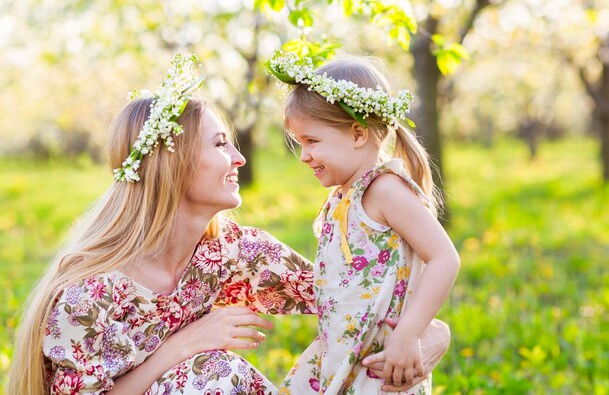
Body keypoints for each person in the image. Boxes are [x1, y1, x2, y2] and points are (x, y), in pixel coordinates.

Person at [7, 53, 450, 395]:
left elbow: (347, 295)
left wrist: (430, 335)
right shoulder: (88, 295)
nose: (239, 159)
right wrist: (185, 345)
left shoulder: (230, 254)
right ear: (174, 164)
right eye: (221, 144)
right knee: (212, 372)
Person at [265, 52, 461, 394]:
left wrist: (409, 333)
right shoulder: (343, 197)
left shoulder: (384, 189)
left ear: (358, 134)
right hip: (341, 354)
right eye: (300, 144)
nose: (305, 155)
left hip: (381, 359)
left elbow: (445, 258)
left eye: (312, 141)